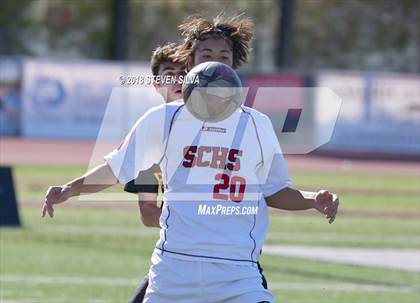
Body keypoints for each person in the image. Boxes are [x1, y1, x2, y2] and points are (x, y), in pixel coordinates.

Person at [42, 14, 339, 303]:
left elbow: (274, 191)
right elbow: (116, 169)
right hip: (174, 268)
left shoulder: (257, 124)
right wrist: (71, 188)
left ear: (234, 65)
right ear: (190, 62)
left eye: (223, 56)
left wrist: (313, 199)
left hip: (237, 270)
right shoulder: (163, 119)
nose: (215, 61)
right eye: (205, 54)